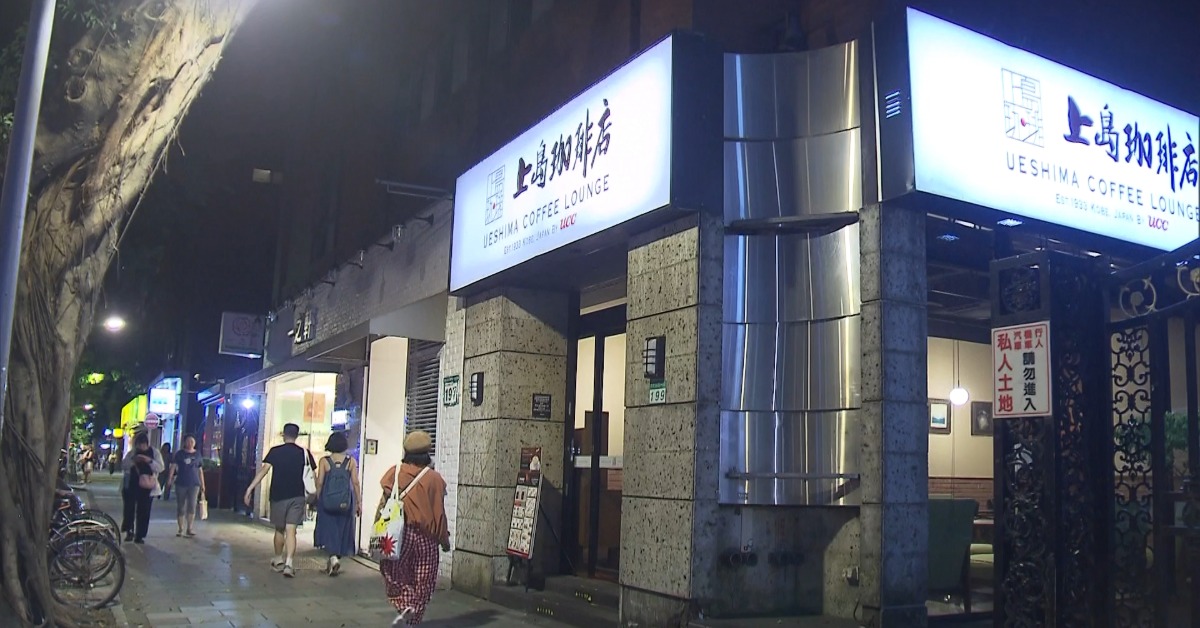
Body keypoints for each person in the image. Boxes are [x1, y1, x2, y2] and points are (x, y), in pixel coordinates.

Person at [376, 431, 449, 626]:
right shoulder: (434, 479)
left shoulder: (395, 472)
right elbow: (439, 513)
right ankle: (413, 617)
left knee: (393, 573)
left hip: (400, 535)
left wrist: (377, 529)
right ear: (427, 453)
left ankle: (405, 604)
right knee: (424, 580)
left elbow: (383, 504)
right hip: (427, 538)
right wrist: (444, 539)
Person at [244, 423, 315, 578]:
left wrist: (250, 488)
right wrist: (313, 496)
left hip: (278, 495)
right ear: (297, 435)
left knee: (279, 529)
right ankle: (289, 563)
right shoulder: (304, 453)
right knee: (292, 530)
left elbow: (263, 471)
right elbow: (312, 476)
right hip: (297, 496)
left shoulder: (275, 451)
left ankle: (278, 560)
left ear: (284, 434)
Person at [313, 432, 361, 576]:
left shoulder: (324, 461)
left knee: (329, 530)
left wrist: (318, 497)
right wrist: (359, 502)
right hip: (345, 502)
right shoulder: (351, 462)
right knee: (342, 530)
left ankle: (333, 558)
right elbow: (355, 483)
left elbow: (320, 482)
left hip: (327, 501)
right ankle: (334, 560)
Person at [121, 433, 164, 543]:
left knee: (144, 511)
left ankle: (140, 535)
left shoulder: (154, 453)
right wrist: (133, 461)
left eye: (143, 445)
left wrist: (149, 461)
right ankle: (129, 531)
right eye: (139, 445)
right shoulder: (132, 453)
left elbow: (160, 467)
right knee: (129, 510)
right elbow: (124, 465)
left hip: (147, 486)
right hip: (132, 484)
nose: (141, 447)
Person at [167, 434, 207, 537]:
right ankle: (180, 528)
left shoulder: (197, 454)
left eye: (192, 441)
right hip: (181, 483)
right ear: (185, 442)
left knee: (192, 505)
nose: (190, 443)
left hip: (194, 484)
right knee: (181, 506)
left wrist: (203, 484)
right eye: (188, 441)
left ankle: (190, 528)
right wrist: (169, 479)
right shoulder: (180, 454)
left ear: (195, 443)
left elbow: (200, 470)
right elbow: (173, 467)